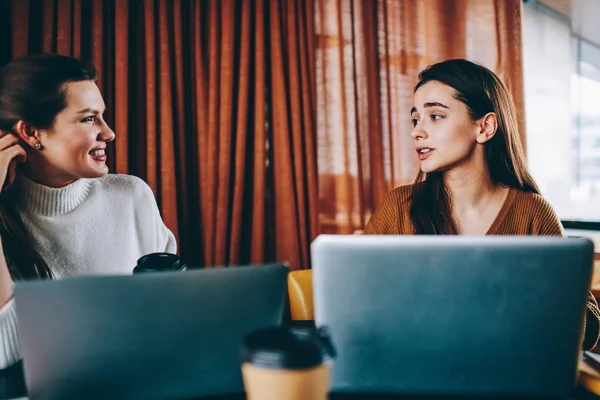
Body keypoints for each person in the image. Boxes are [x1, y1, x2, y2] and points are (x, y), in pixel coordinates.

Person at [364, 59, 600, 350]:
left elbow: (587, 331)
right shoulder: (400, 206)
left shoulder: (533, 212)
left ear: (485, 127)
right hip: (419, 368)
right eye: (416, 119)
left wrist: (535, 290)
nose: (416, 131)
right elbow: (362, 307)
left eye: (435, 116)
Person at [0, 54, 177, 368]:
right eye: (88, 119)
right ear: (31, 133)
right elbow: (4, 354)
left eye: (102, 116)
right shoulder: (6, 221)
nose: (108, 133)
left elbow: (174, 311)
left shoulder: (132, 195)